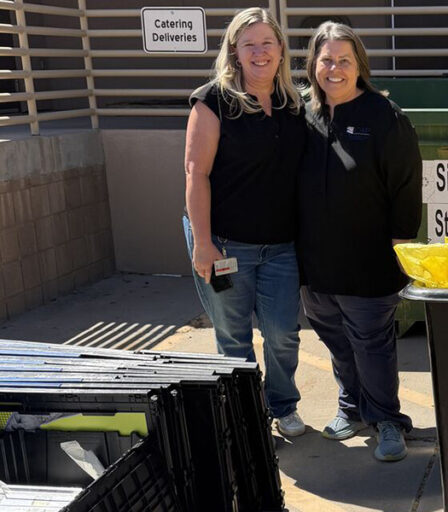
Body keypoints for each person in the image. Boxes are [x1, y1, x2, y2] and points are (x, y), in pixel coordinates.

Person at [298, 21, 422, 462]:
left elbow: (406, 188)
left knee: (372, 344)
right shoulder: (305, 115)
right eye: (326, 59)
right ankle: (351, 407)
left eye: (343, 60)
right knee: (336, 340)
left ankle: (388, 420)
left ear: (359, 65)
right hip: (316, 265)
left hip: (370, 263)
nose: (334, 68)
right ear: (314, 65)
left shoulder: (385, 118)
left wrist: (400, 249)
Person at [183, 7, 307, 437]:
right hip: (223, 246)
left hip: (281, 249)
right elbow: (196, 174)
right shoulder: (213, 100)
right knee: (233, 337)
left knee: (282, 334)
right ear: (234, 50)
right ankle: (244, 413)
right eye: (249, 44)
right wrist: (202, 243)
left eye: (266, 43)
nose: (259, 52)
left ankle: (283, 403)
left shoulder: (295, 104)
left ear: (280, 50)